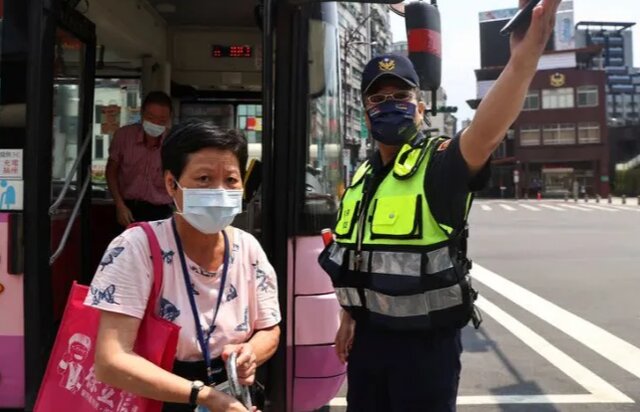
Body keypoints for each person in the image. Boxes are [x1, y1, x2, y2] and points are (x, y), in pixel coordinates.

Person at [318, 1, 561, 411]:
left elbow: (485, 132)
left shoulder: (441, 163)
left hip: (425, 351)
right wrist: (348, 317)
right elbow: (357, 257)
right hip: (367, 344)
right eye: (378, 98)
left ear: (420, 106)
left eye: (401, 95)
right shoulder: (361, 177)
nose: (389, 103)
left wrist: (523, 62)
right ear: (365, 110)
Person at [88, 120, 281, 412]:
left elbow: (270, 329)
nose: (219, 191)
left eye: (230, 180)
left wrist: (249, 353)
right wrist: (204, 396)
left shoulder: (248, 248)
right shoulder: (136, 248)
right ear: (171, 184)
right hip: (159, 397)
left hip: (234, 398)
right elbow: (111, 361)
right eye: (204, 179)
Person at [106, 91, 175, 229]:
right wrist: (120, 205)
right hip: (128, 209)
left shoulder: (173, 141)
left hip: (161, 212)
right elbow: (111, 172)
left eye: (161, 120)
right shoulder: (124, 136)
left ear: (168, 119)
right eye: (150, 117)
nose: (155, 123)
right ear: (142, 114)